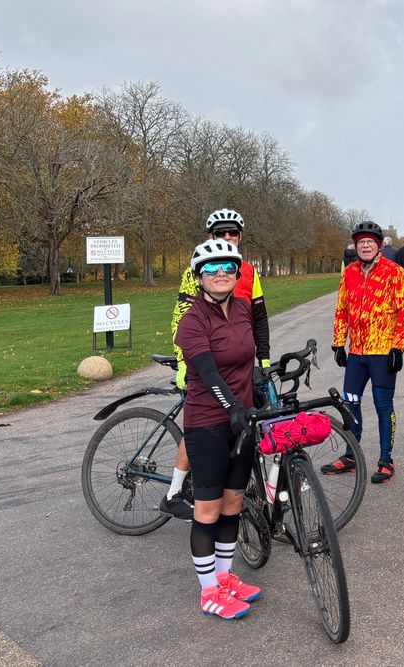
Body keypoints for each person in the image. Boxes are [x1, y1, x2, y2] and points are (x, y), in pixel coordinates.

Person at [173, 239, 262, 620]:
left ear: (237, 272)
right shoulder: (192, 320)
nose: (220, 273)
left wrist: (256, 394)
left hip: (243, 420)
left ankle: (224, 578)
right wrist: (232, 409)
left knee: (233, 503)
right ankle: (208, 590)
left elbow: (248, 359)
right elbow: (208, 373)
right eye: (211, 269)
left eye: (227, 266)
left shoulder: (242, 308)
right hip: (208, 423)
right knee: (208, 510)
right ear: (199, 277)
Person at [163, 208, 271, 521]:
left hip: (236, 360)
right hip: (200, 358)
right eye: (221, 233)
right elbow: (181, 317)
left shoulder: (248, 272)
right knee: (201, 424)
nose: (227, 238)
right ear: (211, 237)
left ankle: (234, 491)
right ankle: (174, 491)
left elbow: (259, 318)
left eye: (233, 233)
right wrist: (186, 362)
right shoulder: (195, 269)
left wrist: (263, 359)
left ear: (240, 237)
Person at [323, 221, 404, 484]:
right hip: (357, 355)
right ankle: (351, 455)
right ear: (356, 245)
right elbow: (341, 309)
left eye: (369, 242)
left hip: (383, 353)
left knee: (383, 406)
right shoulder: (349, 272)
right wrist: (339, 342)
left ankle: (386, 460)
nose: (364, 245)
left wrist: (399, 345)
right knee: (350, 402)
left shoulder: (394, 272)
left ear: (378, 245)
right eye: (360, 242)